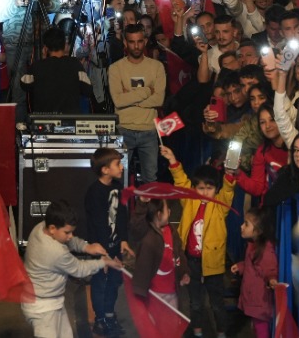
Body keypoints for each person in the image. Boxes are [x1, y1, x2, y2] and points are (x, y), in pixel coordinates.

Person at [160, 145, 236, 338]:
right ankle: (197, 331)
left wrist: (229, 176)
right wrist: (172, 160)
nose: (204, 192)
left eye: (209, 188)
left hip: (213, 264)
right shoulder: (190, 200)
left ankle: (221, 333)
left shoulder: (220, 206)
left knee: (217, 303)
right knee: (195, 302)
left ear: (216, 189)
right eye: (200, 188)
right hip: (191, 261)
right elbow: (181, 180)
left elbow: (228, 190)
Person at [19, 201, 121, 338]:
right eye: (67, 232)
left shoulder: (41, 227)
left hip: (50, 301)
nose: (71, 236)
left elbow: (67, 240)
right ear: (52, 228)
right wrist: (103, 262)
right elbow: (79, 269)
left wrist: (86, 247)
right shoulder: (54, 251)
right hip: (42, 309)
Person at [109, 26, 166, 187]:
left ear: (145, 42)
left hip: (148, 130)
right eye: (132, 42)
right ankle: (122, 211)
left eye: (140, 42)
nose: (136, 46)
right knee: (120, 180)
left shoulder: (156, 67)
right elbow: (118, 101)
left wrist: (130, 97)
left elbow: (159, 99)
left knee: (151, 180)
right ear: (125, 43)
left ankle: (151, 212)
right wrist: (147, 90)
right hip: (124, 129)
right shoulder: (115, 68)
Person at [82, 147, 129, 338]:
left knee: (115, 282)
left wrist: (124, 239)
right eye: (117, 164)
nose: (122, 167)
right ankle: (100, 319)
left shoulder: (118, 187)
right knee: (100, 282)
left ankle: (109, 315)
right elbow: (96, 225)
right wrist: (104, 255)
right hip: (101, 249)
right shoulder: (94, 193)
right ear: (105, 169)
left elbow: (123, 216)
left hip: (115, 247)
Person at [231, 209, 278, 338]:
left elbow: (270, 269)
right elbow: (252, 265)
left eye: (246, 224)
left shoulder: (264, 249)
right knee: (257, 327)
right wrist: (241, 266)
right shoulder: (253, 245)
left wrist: (272, 279)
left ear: (257, 230)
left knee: (261, 328)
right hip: (255, 299)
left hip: (259, 300)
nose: (242, 226)